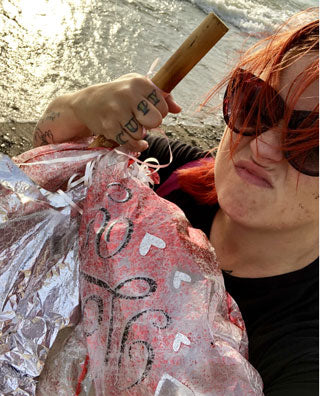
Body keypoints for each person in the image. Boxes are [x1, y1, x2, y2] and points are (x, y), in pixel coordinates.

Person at [30, 10, 318, 394]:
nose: (263, 146)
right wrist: (81, 105)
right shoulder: (161, 172)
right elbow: (42, 166)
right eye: (257, 105)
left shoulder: (303, 349)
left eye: (311, 143)